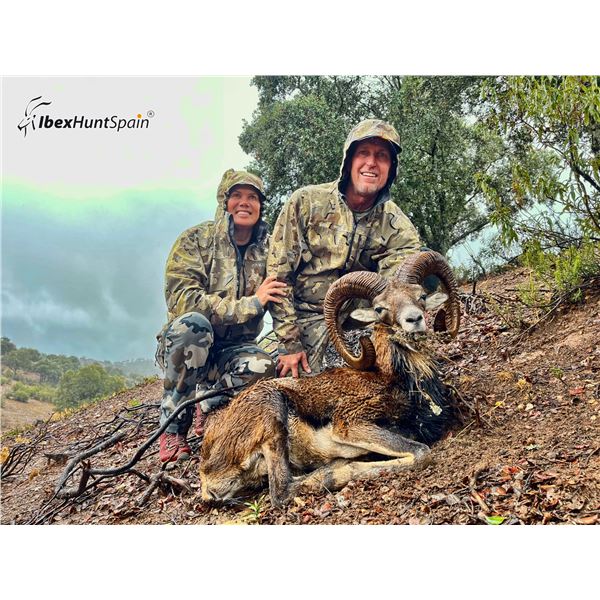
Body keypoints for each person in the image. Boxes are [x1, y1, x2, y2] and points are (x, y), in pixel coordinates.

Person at [267, 119, 423, 378]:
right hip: (307, 319)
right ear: (349, 161)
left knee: (403, 379)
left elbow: (399, 288)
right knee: (294, 388)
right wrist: (289, 343)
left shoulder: (398, 226)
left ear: (391, 168)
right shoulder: (305, 203)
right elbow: (278, 279)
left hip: (365, 321)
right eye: (363, 153)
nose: (371, 163)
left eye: (382, 156)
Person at [156, 169, 286, 464]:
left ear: (260, 205)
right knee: (193, 325)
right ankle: (172, 428)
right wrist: (251, 304)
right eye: (237, 195)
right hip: (187, 346)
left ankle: (209, 406)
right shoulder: (195, 240)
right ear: (224, 202)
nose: (245, 202)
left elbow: (284, 294)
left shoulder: (270, 250)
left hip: (234, 350)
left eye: (253, 197)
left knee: (263, 366)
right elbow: (184, 300)